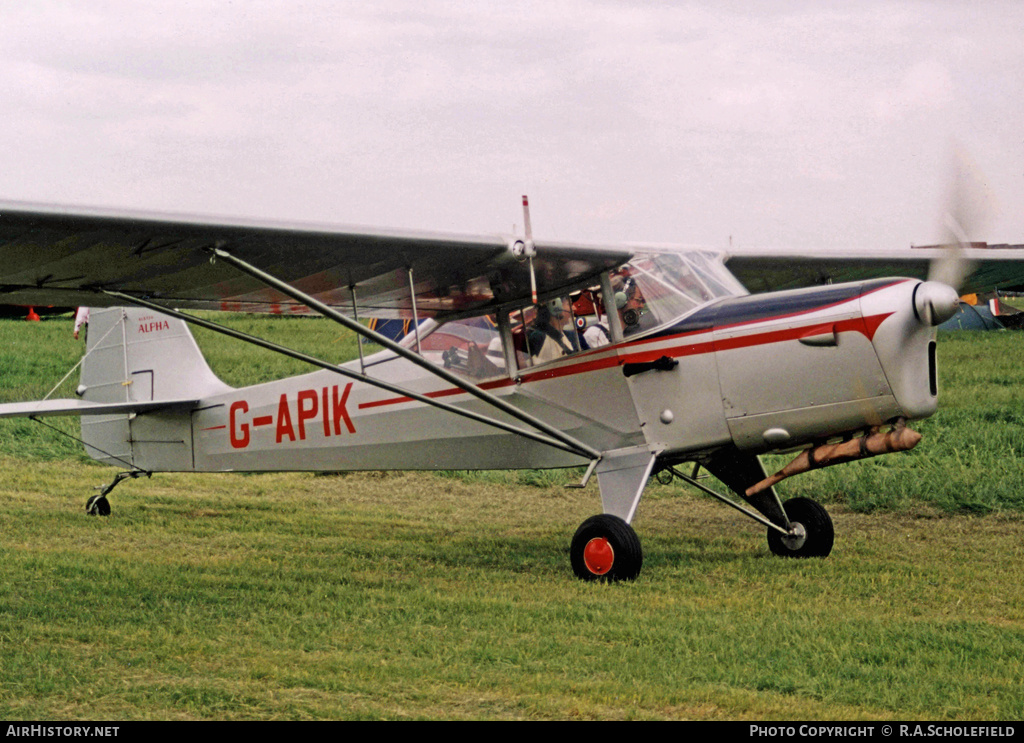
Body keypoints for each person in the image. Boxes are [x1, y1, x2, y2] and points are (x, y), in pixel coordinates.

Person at [527, 298, 578, 363]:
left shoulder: (566, 336)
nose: (574, 308)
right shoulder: (538, 337)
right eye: (569, 304)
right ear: (555, 308)